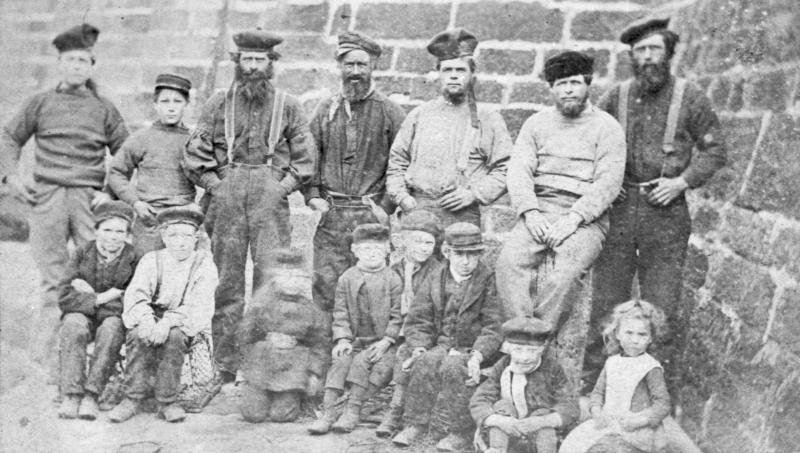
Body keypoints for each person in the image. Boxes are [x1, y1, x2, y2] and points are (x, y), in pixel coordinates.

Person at [585, 17, 727, 391]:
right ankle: (595, 386)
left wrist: (681, 182)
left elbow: (715, 151)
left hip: (665, 213)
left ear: (668, 53)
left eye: (655, 49)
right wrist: (605, 183)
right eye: (640, 51)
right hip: (617, 210)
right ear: (632, 56)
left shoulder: (690, 96)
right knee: (606, 302)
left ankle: (652, 391)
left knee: (661, 306)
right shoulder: (615, 96)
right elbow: (589, 139)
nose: (648, 58)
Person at [183, 29, 315, 380]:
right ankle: (225, 362)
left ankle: (259, 361)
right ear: (237, 62)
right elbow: (197, 152)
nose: (253, 67)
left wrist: (281, 188)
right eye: (247, 60)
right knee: (225, 280)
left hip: (268, 197)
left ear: (271, 64)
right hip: (226, 194)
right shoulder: (218, 103)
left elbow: (304, 158)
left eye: (260, 60)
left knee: (269, 277)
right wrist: (216, 185)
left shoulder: (288, 104)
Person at [0, 23, 129, 364]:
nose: (76, 67)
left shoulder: (104, 108)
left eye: (83, 61)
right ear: (60, 63)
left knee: (95, 274)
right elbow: (10, 137)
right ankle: (44, 360)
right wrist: (11, 176)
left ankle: (92, 354)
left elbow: (127, 153)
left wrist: (107, 190)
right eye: (70, 60)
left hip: (88, 200)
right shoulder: (40, 102)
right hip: (48, 198)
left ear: (91, 66)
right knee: (52, 277)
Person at [495, 51, 626, 332]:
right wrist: (531, 213)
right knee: (509, 264)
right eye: (561, 84)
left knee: (564, 274)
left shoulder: (607, 127)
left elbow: (609, 182)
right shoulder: (536, 124)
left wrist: (573, 219)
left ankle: (539, 337)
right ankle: (520, 335)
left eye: (575, 83)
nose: (568, 90)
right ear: (552, 88)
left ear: (587, 84)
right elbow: (519, 171)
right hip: (540, 209)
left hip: (584, 218)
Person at [304, 30, 407, 338]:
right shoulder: (325, 110)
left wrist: (385, 208)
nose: (356, 72)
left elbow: (402, 161)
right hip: (333, 214)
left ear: (373, 66)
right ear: (340, 67)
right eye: (349, 65)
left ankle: (365, 354)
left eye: (362, 64)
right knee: (326, 285)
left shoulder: (390, 111)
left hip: (369, 215)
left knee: (371, 285)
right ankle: (325, 352)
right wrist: (312, 197)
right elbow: (308, 155)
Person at [392, 223, 503, 451]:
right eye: (459, 255)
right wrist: (419, 347)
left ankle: (459, 431)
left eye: (472, 255)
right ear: (447, 253)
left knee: (454, 368)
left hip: (470, 349)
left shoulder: (488, 279)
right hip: (441, 344)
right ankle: (416, 423)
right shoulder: (435, 277)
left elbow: (493, 325)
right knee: (425, 362)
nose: (465, 262)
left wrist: (478, 355)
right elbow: (419, 318)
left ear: (480, 254)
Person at [386, 28, 512, 228]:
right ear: (438, 75)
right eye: (447, 70)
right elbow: (397, 160)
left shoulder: (487, 118)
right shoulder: (420, 114)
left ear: (472, 74)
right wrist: (402, 197)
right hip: (418, 208)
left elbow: (507, 167)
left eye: (460, 70)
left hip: (461, 214)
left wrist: (474, 194)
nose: (454, 76)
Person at [109, 205, 218, 423]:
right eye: (174, 235)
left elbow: (199, 304)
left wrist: (167, 322)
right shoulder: (152, 260)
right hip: (151, 314)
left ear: (196, 238)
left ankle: (167, 400)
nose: (180, 242)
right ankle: (132, 397)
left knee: (175, 337)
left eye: (187, 235)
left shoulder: (204, 263)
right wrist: (147, 320)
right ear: (164, 237)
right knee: (137, 334)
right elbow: (137, 296)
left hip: (182, 319)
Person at [309, 224, 403, 434]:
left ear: (388, 250)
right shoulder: (347, 277)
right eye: (366, 248)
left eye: (378, 249)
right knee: (341, 362)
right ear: (354, 250)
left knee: (361, 362)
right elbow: (340, 313)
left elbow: (398, 316)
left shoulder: (393, 279)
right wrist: (342, 339)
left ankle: (352, 410)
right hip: (355, 340)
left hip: (379, 342)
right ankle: (329, 412)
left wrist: (387, 339)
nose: (372, 253)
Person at [56, 201, 138, 420]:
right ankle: (72, 394)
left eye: (120, 231)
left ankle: (92, 395)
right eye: (107, 230)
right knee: (73, 324)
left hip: (113, 317)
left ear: (128, 235)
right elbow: (64, 295)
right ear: (96, 231)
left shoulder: (135, 258)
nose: (113, 236)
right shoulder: (82, 253)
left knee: (111, 328)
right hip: (82, 314)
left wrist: (88, 296)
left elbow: (133, 300)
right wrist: (104, 296)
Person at [560, 300, 670, 453]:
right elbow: (598, 392)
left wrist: (640, 421)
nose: (635, 340)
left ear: (650, 338)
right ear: (618, 333)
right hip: (608, 423)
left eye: (642, 334)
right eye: (629, 333)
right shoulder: (612, 362)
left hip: (635, 428)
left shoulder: (650, 367)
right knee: (576, 445)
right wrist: (597, 411)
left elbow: (663, 404)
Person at [108, 73, 196, 258]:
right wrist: (135, 202)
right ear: (155, 105)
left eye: (177, 101)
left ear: (186, 104)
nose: (171, 108)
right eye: (165, 101)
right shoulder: (141, 138)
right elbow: (116, 173)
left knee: (180, 274)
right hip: (149, 219)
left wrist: (198, 207)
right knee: (147, 270)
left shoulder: (194, 141)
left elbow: (209, 176)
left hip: (183, 217)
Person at [237, 248, 329, 424]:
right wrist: (246, 367)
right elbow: (246, 335)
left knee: (281, 416)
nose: (292, 282)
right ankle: (257, 392)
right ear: (275, 278)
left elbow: (320, 344)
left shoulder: (311, 309)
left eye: (298, 277)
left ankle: (294, 396)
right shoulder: (261, 303)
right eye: (286, 276)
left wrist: (314, 374)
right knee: (253, 414)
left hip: (292, 366)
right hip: (263, 363)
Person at [375, 210, 443, 437]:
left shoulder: (438, 272)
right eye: (418, 241)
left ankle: (394, 412)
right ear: (404, 241)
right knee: (379, 363)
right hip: (396, 330)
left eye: (429, 242)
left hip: (424, 333)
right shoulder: (393, 268)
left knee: (405, 354)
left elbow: (433, 316)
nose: (424, 248)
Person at [470, 316, 579, 453]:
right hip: (509, 432)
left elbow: (569, 404)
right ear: (508, 349)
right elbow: (480, 399)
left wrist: (543, 421)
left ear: (542, 349)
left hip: (539, 435)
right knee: (502, 407)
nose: (525, 357)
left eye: (532, 350)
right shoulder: (503, 366)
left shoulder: (552, 368)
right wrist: (497, 420)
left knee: (542, 414)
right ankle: (497, 450)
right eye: (518, 350)